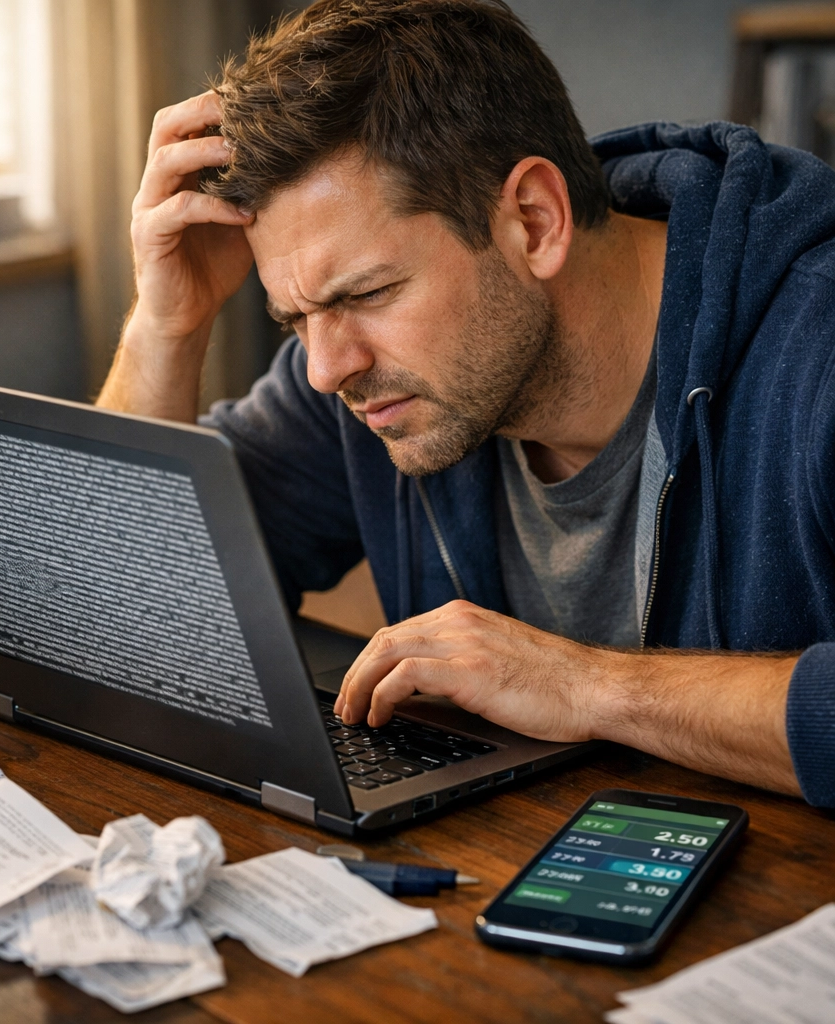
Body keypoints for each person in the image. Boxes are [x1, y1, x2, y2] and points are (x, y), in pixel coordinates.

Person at [97, 0, 835, 808]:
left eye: (370, 292)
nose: (324, 368)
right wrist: (169, 326)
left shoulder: (815, 345)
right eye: (295, 318)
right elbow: (119, 595)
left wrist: (592, 687)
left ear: (534, 220)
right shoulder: (363, 374)